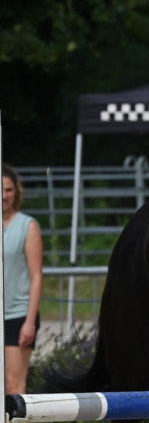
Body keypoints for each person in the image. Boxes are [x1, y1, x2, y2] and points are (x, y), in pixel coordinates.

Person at [2, 164, 43, 394]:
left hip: (17, 315)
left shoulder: (27, 226)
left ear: (16, 192)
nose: (3, 196)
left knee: (13, 385)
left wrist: (29, 321)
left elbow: (36, 276)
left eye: (8, 190)